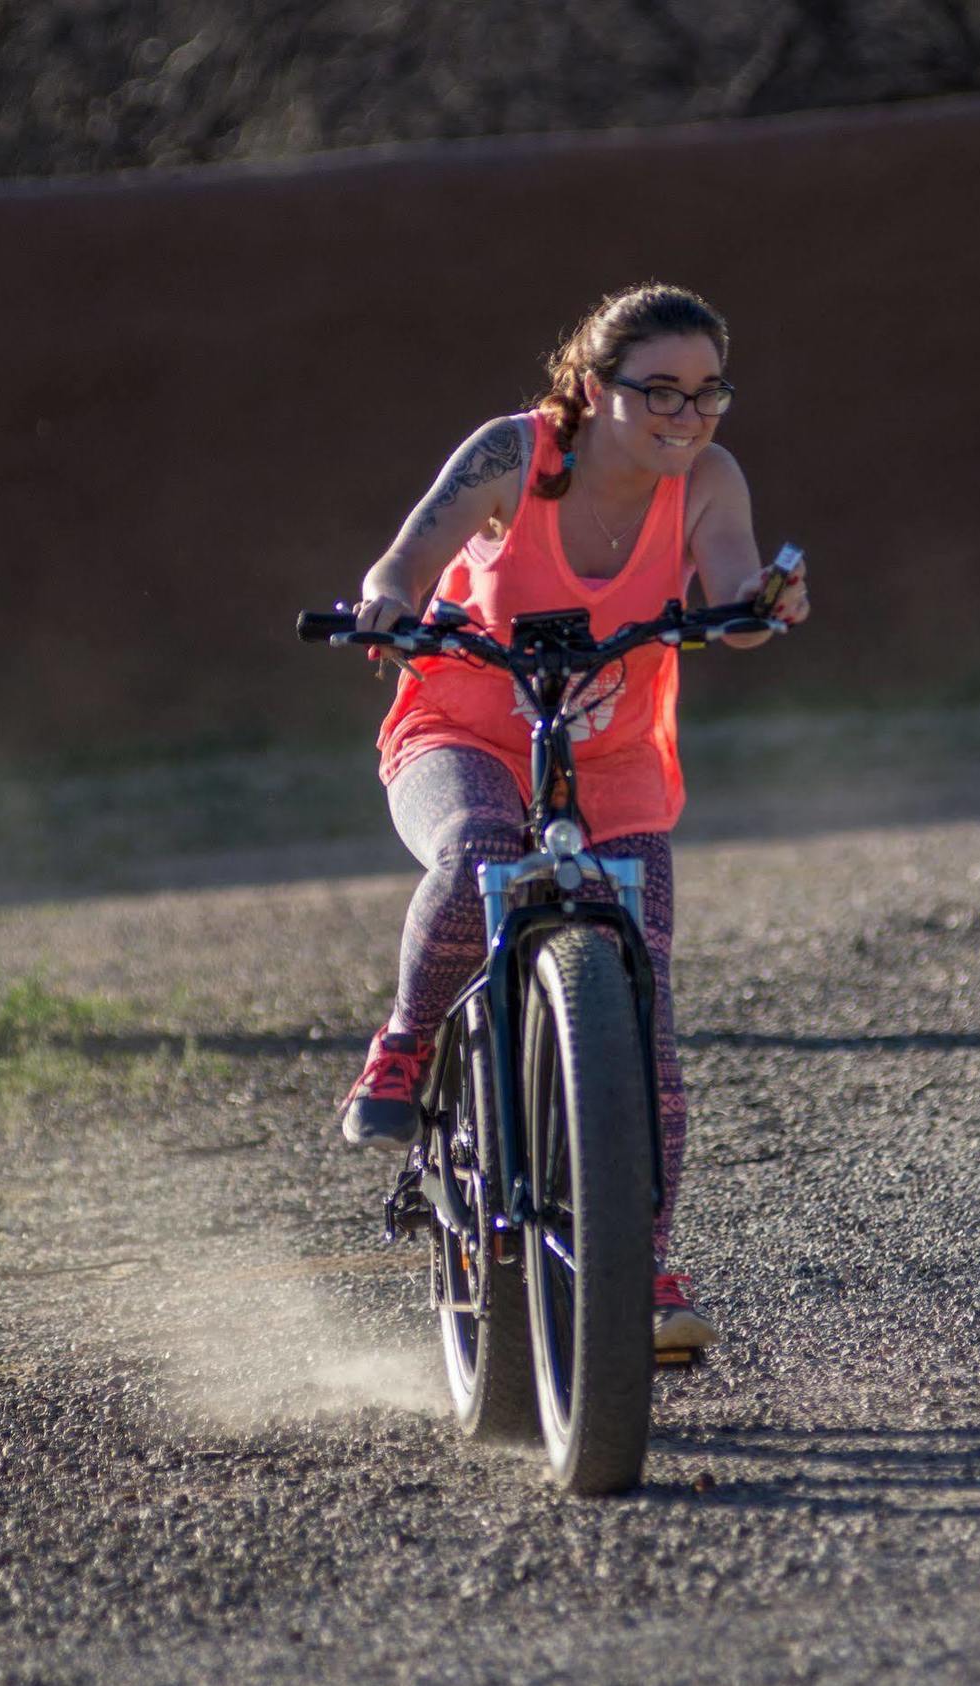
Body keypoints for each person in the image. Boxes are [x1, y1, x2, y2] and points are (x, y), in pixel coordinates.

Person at [342, 282, 809, 1352]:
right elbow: (405, 558)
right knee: (476, 854)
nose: (685, 418)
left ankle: (637, 1268)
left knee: (641, 1017)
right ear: (595, 390)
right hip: (464, 733)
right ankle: (406, 1047)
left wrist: (765, 607)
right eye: (659, 392)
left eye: (706, 395)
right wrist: (388, 604)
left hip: (613, 764)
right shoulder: (511, 457)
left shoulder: (707, 482)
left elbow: (732, 599)